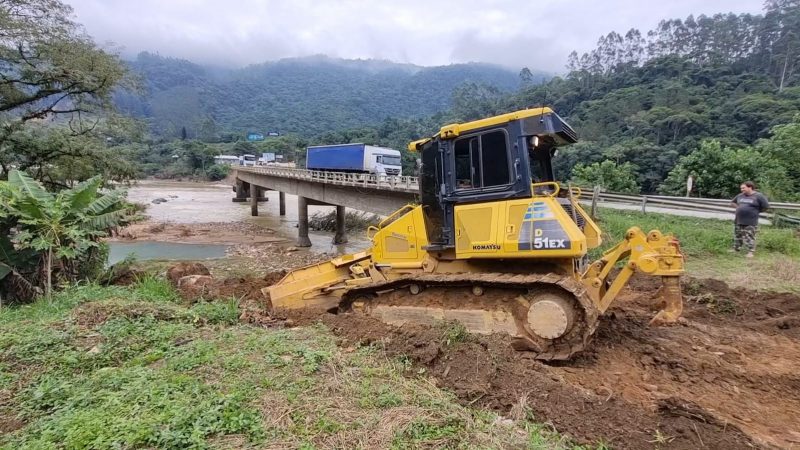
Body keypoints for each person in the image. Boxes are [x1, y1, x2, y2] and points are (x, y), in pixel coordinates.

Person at [730, 181, 769, 258]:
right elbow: (732, 202)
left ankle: (750, 252)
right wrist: (738, 208)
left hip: (750, 220)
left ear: (750, 187)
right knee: (738, 235)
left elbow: (766, 207)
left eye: (743, 188)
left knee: (749, 236)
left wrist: (757, 211)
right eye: (741, 188)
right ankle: (736, 249)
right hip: (739, 219)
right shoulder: (740, 195)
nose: (742, 190)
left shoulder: (758, 196)